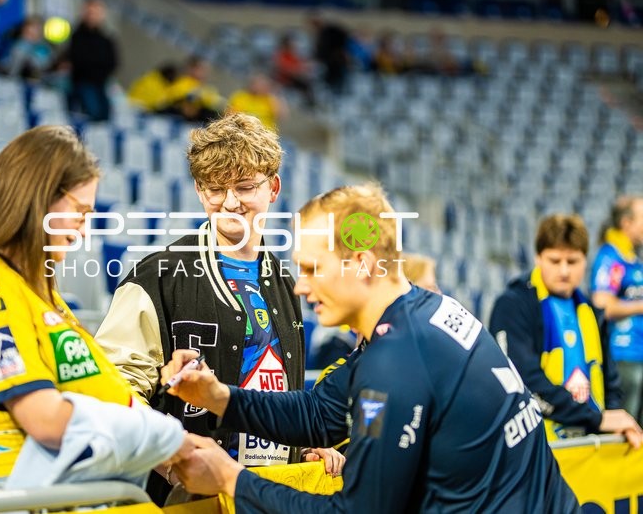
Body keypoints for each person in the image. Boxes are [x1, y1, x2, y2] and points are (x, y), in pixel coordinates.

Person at [162, 183, 581, 512]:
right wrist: (218, 397)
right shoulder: (421, 313)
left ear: (361, 262)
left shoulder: (397, 360)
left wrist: (231, 479)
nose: (300, 284)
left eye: (312, 268)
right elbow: (319, 413)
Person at [0, 126, 194, 493]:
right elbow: (44, 419)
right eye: (80, 212)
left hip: (55, 484)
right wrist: (162, 437)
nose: (82, 231)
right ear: (39, 199)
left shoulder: (38, 288)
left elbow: (106, 393)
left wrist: (180, 456)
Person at [95, 113, 340, 503]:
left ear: (273, 188)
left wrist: (302, 448)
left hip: (272, 493)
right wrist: (173, 460)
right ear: (197, 189)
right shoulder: (158, 275)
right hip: (189, 497)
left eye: (244, 187)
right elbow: (111, 388)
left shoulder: (286, 282)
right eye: (214, 189)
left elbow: (277, 393)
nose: (229, 203)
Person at [490, 214, 642, 445]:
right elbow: (521, 381)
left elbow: (610, 382)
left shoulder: (590, 311)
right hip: (534, 449)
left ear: (584, 260)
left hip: (590, 447)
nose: (563, 271)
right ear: (538, 257)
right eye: (554, 260)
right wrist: (597, 419)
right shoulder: (512, 304)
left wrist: (613, 424)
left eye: (572, 261)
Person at [591, 195, 643, 423]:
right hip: (623, 357)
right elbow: (602, 304)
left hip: (638, 355)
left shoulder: (631, 259)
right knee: (627, 428)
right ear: (626, 223)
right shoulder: (611, 257)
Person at [66, 0, 118, 122]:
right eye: (91, 10)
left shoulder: (106, 39)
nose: (93, 14)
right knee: (92, 114)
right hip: (83, 83)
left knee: (105, 117)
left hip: (101, 84)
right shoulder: (77, 36)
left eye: (97, 11)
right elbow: (79, 60)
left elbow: (112, 62)